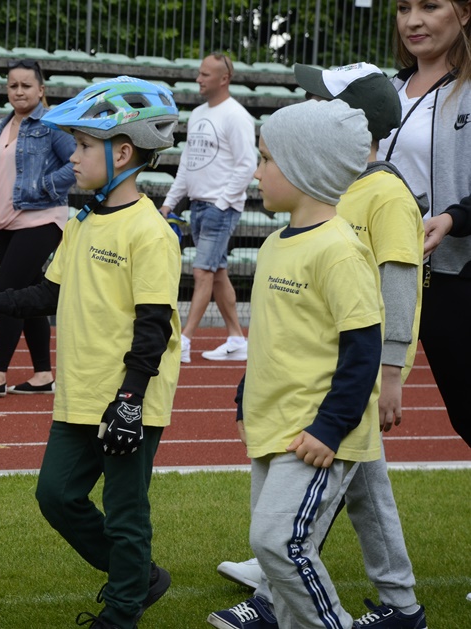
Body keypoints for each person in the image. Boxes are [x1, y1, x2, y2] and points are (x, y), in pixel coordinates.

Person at [212, 63, 428, 629]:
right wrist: (243, 396)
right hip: (274, 420)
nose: (256, 171)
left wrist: (331, 426)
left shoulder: (338, 249)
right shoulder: (277, 245)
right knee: (273, 545)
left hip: (313, 428)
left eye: (265, 159)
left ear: (304, 169)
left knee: (280, 540)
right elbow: (277, 338)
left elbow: (362, 346)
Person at [0, 76, 181, 629]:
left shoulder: (151, 232)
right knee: (57, 495)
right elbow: (47, 294)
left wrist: (131, 399)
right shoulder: (83, 220)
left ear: (121, 153)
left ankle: (120, 614)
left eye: (85, 146)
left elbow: (153, 325)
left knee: (124, 514)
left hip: (127, 396)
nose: (75, 157)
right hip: (80, 394)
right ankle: (139, 579)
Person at [379, 0, 471, 452]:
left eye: (430, 6)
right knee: (355, 403)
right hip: (385, 274)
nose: (412, 21)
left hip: (455, 278)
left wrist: (455, 218)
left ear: (466, 13)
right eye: (402, 8)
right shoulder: (385, 89)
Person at [0, 59, 75, 397]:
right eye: (13, 85)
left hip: (41, 219)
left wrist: (45, 186)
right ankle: (43, 374)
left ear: (41, 90)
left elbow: (77, 162)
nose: (18, 91)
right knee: (27, 295)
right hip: (4, 222)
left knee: (9, 287)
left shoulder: (51, 126)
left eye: (26, 85)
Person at [159, 53, 255, 364]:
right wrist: (170, 201)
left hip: (219, 208)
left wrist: (224, 202)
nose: (198, 79)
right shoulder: (199, 113)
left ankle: (184, 340)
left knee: (202, 272)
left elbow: (247, 164)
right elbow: (188, 162)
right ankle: (237, 338)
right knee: (217, 273)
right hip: (199, 206)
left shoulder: (236, 116)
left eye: (205, 74)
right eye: (199, 73)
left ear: (223, 79)